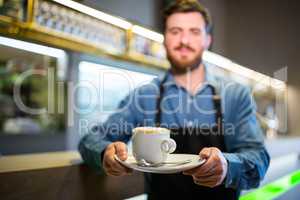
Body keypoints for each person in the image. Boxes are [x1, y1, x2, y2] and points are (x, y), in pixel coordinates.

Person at [78, 0, 270, 199]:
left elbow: (258, 158)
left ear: (207, 40)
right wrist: (105, 154)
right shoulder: (144, 96)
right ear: (165, 40)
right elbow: (90, 140)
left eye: (194, 32)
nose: (184, 40)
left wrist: (227, 166)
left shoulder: (235, 95)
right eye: (175, 31)